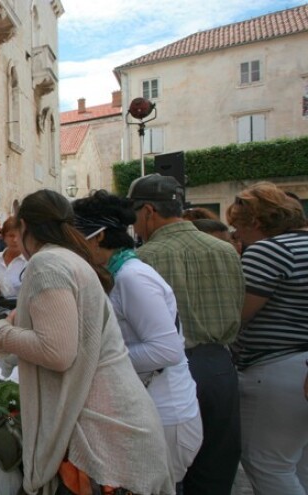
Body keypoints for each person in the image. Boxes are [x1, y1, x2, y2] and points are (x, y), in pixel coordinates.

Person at [0, 189, 172, 495]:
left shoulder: (46, 262)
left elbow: (57, 351)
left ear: (25, 228)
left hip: (101, 441)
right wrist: (10, 326)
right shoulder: (68, 259)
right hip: (114, 429)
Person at [73, 190, 202, 489]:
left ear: (99, 237)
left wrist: (97, 359)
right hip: (146, 407)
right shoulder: (116, 274)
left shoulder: (133, 277)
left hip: (165, 413)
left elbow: (166, 349)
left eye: (78, 240)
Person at [127, 173, 244, 494]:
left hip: (170, 375)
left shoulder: (142, 259)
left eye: (134, 215)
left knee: (167, 476)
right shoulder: (225, 251)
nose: (134, 225)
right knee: (216, 472)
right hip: (220, 368)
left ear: (148, 210)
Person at [225, 182, 308, 493]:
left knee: (267, 464)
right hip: (301, 368)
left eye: (238, 228)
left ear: (256, 223)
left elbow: (238, 315)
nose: (238, 238)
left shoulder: (270, 250)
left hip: (275, 369)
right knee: (298, 464)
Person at [0, 216, 27, 311]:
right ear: (3, 237)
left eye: (18, 236)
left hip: (20, 309)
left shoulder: (29, 261)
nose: (15, 240)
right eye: (11, 235)